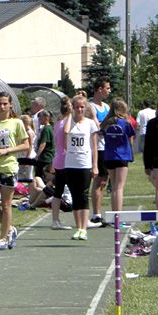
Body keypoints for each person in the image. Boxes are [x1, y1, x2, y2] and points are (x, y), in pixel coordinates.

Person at [0, 92, 29, 249]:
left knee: (7, 205)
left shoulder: (16, 123)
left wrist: (8, 150)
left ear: (10, 105)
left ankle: (3, 238)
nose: (2, 107)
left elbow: (26, 145)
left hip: (8, 167)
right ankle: (10, 229)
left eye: (4, 104)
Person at [62, 93, 98, 240]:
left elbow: (94, 146)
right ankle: (78, 227)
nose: (79, 110)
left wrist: (95, 165)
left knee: (83, 195)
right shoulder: (69, 122)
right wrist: (70, 113)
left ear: (86, 108)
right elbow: (65, 133)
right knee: (74, 195)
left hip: (84, 163)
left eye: (82, 107)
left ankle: (84, 228)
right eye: (77, 107)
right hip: (70, 163)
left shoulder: (90, 124)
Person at [100, 98, 135, 215]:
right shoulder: (125, 123)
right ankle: (118, 216)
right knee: (119, 187)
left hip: (109, 156)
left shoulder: (106, 123)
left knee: (114, 186)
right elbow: (131, 139)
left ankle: (114, 214)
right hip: (122, 156)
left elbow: (102, 134)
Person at [86, 77, 111, 225]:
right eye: (107, 88)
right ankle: (96, 213)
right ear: (99, 89)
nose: (109, 91)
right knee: (98, 181)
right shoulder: (91, 107)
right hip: (97, 147)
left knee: (104, 182)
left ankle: (98, 212)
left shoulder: (107, 107)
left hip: (107, 147)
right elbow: (99, 128)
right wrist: (105, 127)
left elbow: (111, 123)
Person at [51, 96, 73, 230]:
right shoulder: (66, 120)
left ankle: (55, 220)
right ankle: (81, 218)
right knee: (76, 190)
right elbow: (66, 132)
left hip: (58, 159)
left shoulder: (58, 122)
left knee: (58, 192)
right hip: (65, 159)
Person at [34, 110, 54, 180]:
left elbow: (43, 143)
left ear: (46, 118)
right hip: (49, 157)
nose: (39, 120)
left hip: (44, 157)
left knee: (39, 177)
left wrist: (37, 155)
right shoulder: (50, 127)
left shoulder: (46, 129)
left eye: (40, 118)